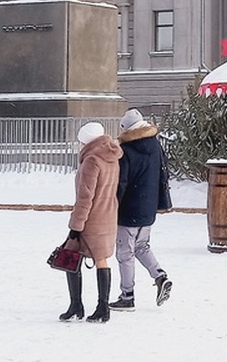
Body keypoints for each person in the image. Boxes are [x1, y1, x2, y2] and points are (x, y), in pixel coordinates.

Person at [108, 108, 174, 311]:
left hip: (129, 209)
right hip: (148, 206)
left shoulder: (126, 151)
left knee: (125, 253)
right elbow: (164, 173)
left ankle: (127, 296)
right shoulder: (155, 145)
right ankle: (160, 276)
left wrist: (112, 205)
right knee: (142, 246)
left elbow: (122, 182)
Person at [60, 121, 122, 323]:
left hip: (91, 220)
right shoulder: (112, 157)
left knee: (70, 256)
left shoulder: (91, 161)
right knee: (101, 259)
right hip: (108, 216)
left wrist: (75, 227)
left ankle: (76, 305)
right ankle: (103, 306)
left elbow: (85, 198)